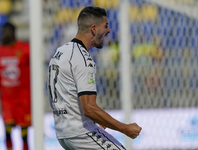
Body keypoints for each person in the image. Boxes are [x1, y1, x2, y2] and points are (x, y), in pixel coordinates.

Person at [48, 6, 142, 150]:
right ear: (94, 28)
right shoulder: (83, 59)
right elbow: (89, 109)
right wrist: (125, 128)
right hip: (81, 133)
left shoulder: (60, 52)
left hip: (63, 134)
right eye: (106, 26)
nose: (109, 31)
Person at [0, 22, 31, 150]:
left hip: (23, 98)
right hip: (7, 99)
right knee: (7, 130)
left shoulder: (25, 48)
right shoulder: (0, 51)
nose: (2, 35)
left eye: (5, 32)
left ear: (12, 32)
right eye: (2, 32)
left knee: (24, 134)